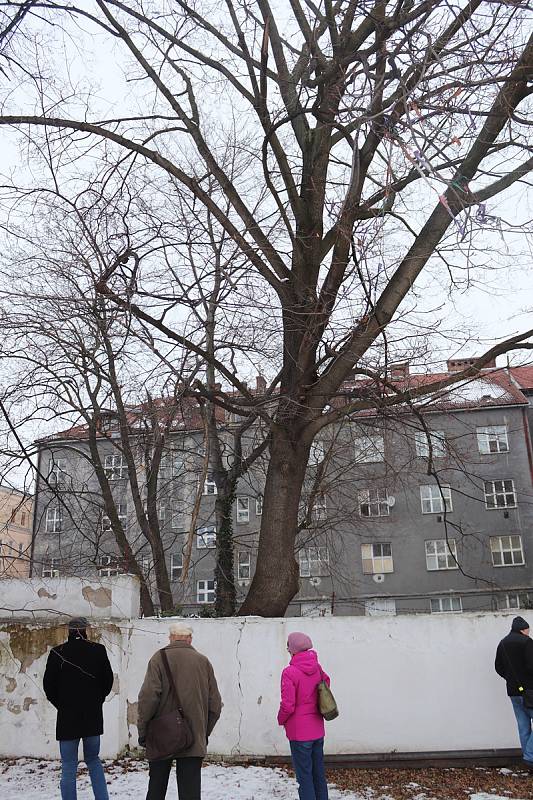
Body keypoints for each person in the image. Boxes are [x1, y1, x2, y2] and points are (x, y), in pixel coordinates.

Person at [137, 622, 222, 800]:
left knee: (156, 790)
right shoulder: (203, 661)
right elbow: (215, 704)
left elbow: (148, 699)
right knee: (190, 793)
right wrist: (202, 732)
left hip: (161, 736)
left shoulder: (158, 659)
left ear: (171, 638)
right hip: (193, 737)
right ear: (190, 639)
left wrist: (144, 731)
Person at [43, 616, 114, 800]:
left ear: (69, 631)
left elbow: (48, 686)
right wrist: (97, 700)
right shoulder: (98, 651)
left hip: (67, 718)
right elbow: (108, 681)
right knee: (93, 760)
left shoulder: (57, 653)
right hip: (92, 716)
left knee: (68, 765)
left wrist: (62, 705)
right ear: (85, 631)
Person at [277, 631, 330, 800]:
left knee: (304, 777)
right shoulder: (317, 667)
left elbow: (288, 705)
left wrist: (280, 719)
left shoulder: (289, 672)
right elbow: (326, 684)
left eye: (288, 646)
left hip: (299, 734)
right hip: (317, 729)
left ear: (293, 650)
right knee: (318, 774)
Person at [495, 615, 533, 768]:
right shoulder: (527, 642)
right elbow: (532, 666)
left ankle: (528, 759)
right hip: (530, 691)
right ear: (523, 629)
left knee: (523, 726)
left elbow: (498, 667)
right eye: (528, 630)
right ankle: (530, 757)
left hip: (513, 692)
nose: (529, 632)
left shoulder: (502, 643)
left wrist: (511, 679)